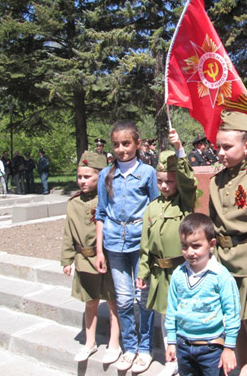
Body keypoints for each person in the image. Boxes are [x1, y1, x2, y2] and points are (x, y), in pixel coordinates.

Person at [95, 121, 159, 373]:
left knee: (143, 298)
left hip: (140, 243)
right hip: (114, 243)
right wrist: (99, 251)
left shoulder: (148, 173)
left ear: (137, 144)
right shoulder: (105, 175)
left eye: (126, 143)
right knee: (123, 299)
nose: (121, 149)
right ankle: (129, 347)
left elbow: (155, 208)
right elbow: (101, 213)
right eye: (116, 144)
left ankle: (146, 348)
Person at [210, 110, 247, 376]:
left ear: (246, 147)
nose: (221, 152)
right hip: (222, 261)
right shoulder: (217, 180)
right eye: (218, 147)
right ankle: (241, 368)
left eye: (227, 147)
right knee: (233, 320)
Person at [137, 129, 198, 376]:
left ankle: (189, 360)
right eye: (160, 181)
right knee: (165, 318)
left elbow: (188, 183)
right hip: (160, 275)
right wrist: (142, 272)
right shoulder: (152, 207)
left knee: (184, 317)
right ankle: (171, 361)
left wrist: (179, 150)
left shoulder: (184, 202)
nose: (164, 185)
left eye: (169, 181)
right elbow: (146, 245)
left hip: (181, 271)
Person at [61, 151, 121, 365]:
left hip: (107, 258)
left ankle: (114, 343)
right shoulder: (73, 203)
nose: (82, 181)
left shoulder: (108, 199)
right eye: (79, 176)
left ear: (100, 176)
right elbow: (68, 233)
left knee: (113, 301)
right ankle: (90, 342)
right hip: (84, 260)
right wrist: (67, 259)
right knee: (90, 301)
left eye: (88, 176)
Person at [165, 213, 241, 376]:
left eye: (196, 246)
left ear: (211, 244)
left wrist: (229, 347)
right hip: (183, 345)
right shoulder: (178, 275)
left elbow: (233, 313)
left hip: (211, 347)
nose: (189, 252)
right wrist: (171, 341)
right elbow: (171, 310)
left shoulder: (221, 276)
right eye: (184, 246)